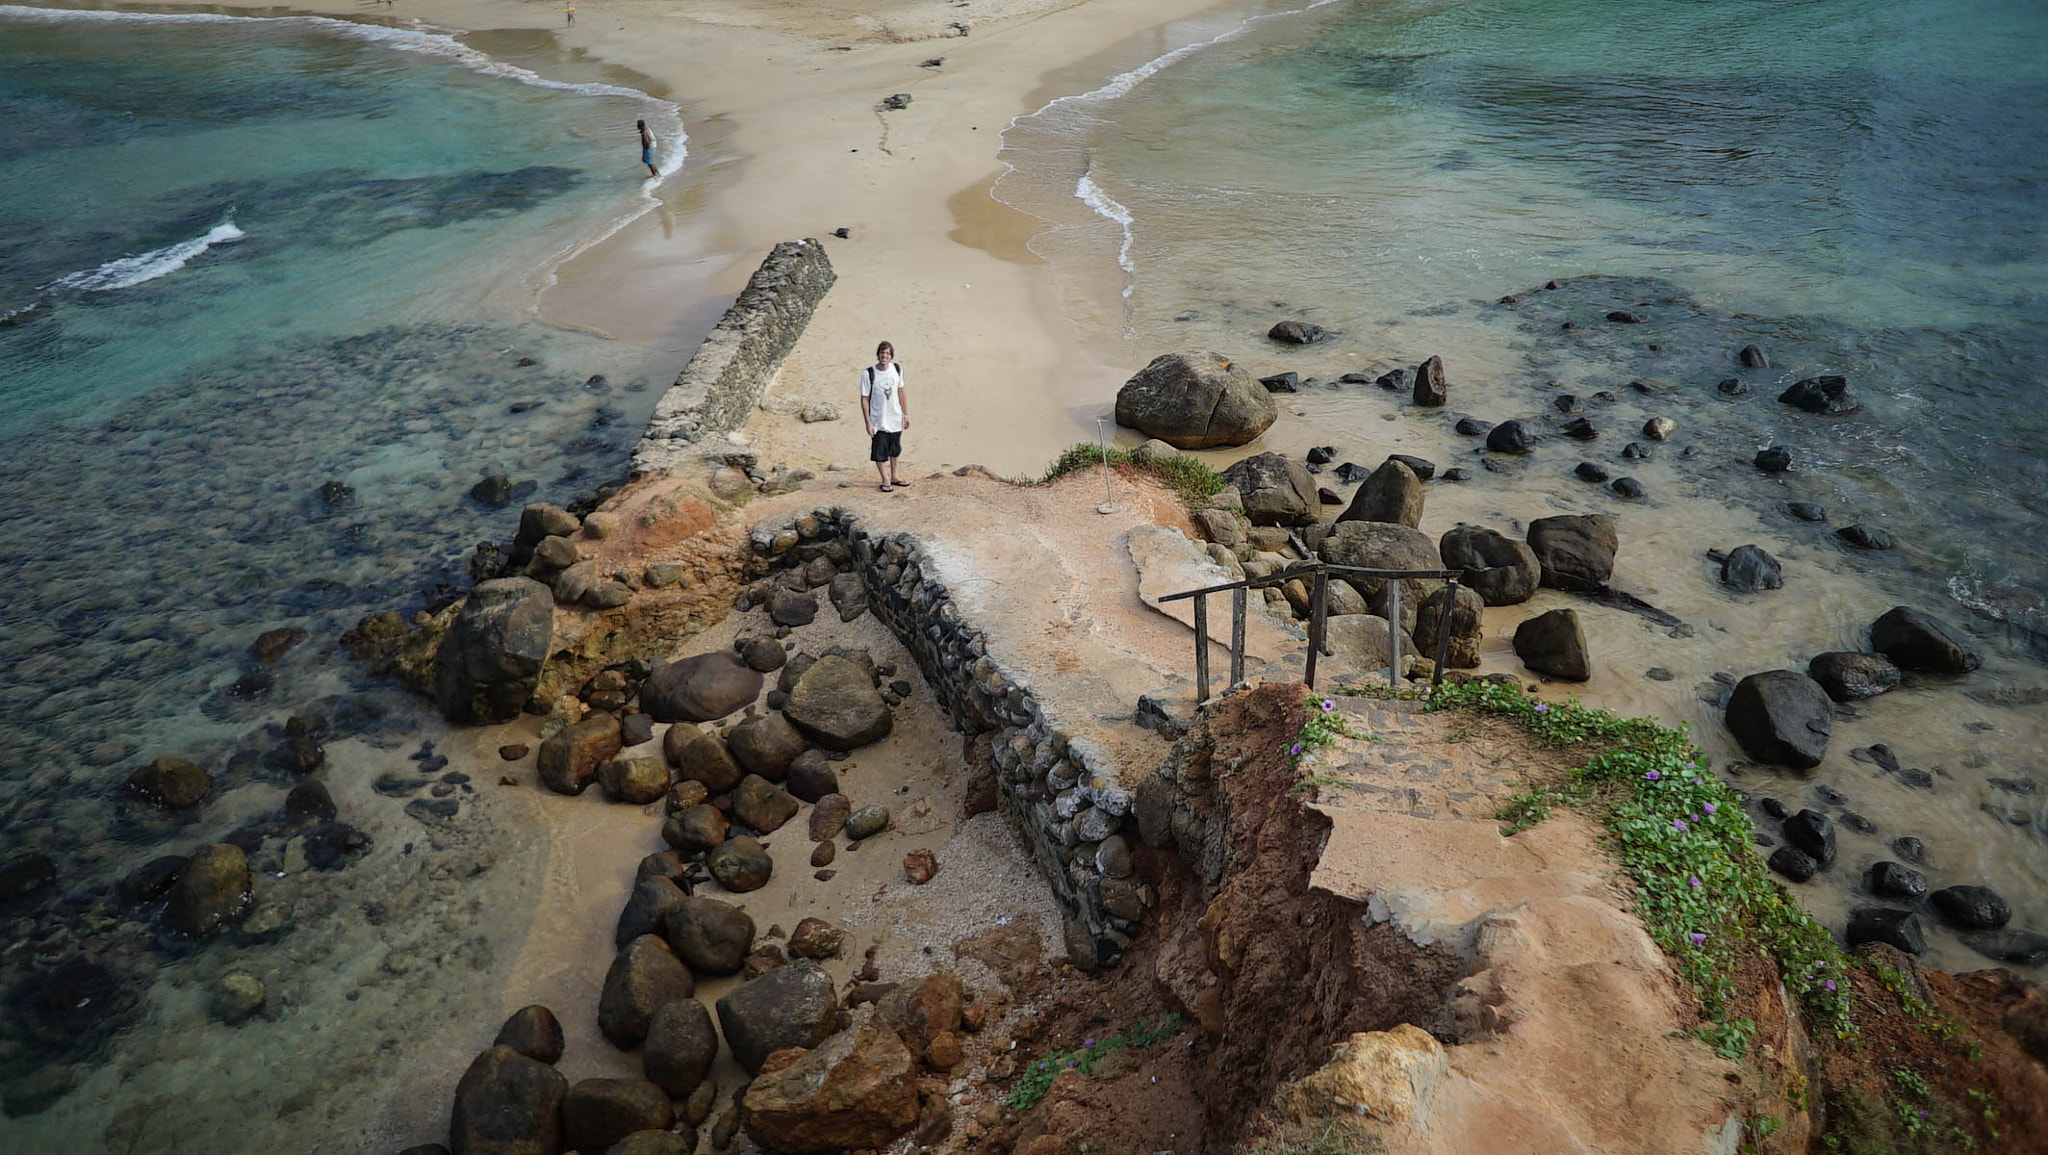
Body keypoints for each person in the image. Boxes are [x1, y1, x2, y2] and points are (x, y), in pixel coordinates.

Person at [859, 340, 910, 491]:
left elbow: (901, 391)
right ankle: (885, 479)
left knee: (895, 449)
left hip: (895, 417)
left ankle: (895, 476)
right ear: (878, 354)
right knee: (879, 451)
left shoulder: (897, 369)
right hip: (878, 420)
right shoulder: (868, 374)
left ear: (891, 355)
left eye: (887, 353)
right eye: (882, 353)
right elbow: (864, 398)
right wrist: (868, 422)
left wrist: (905, 414)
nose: (884, 356)